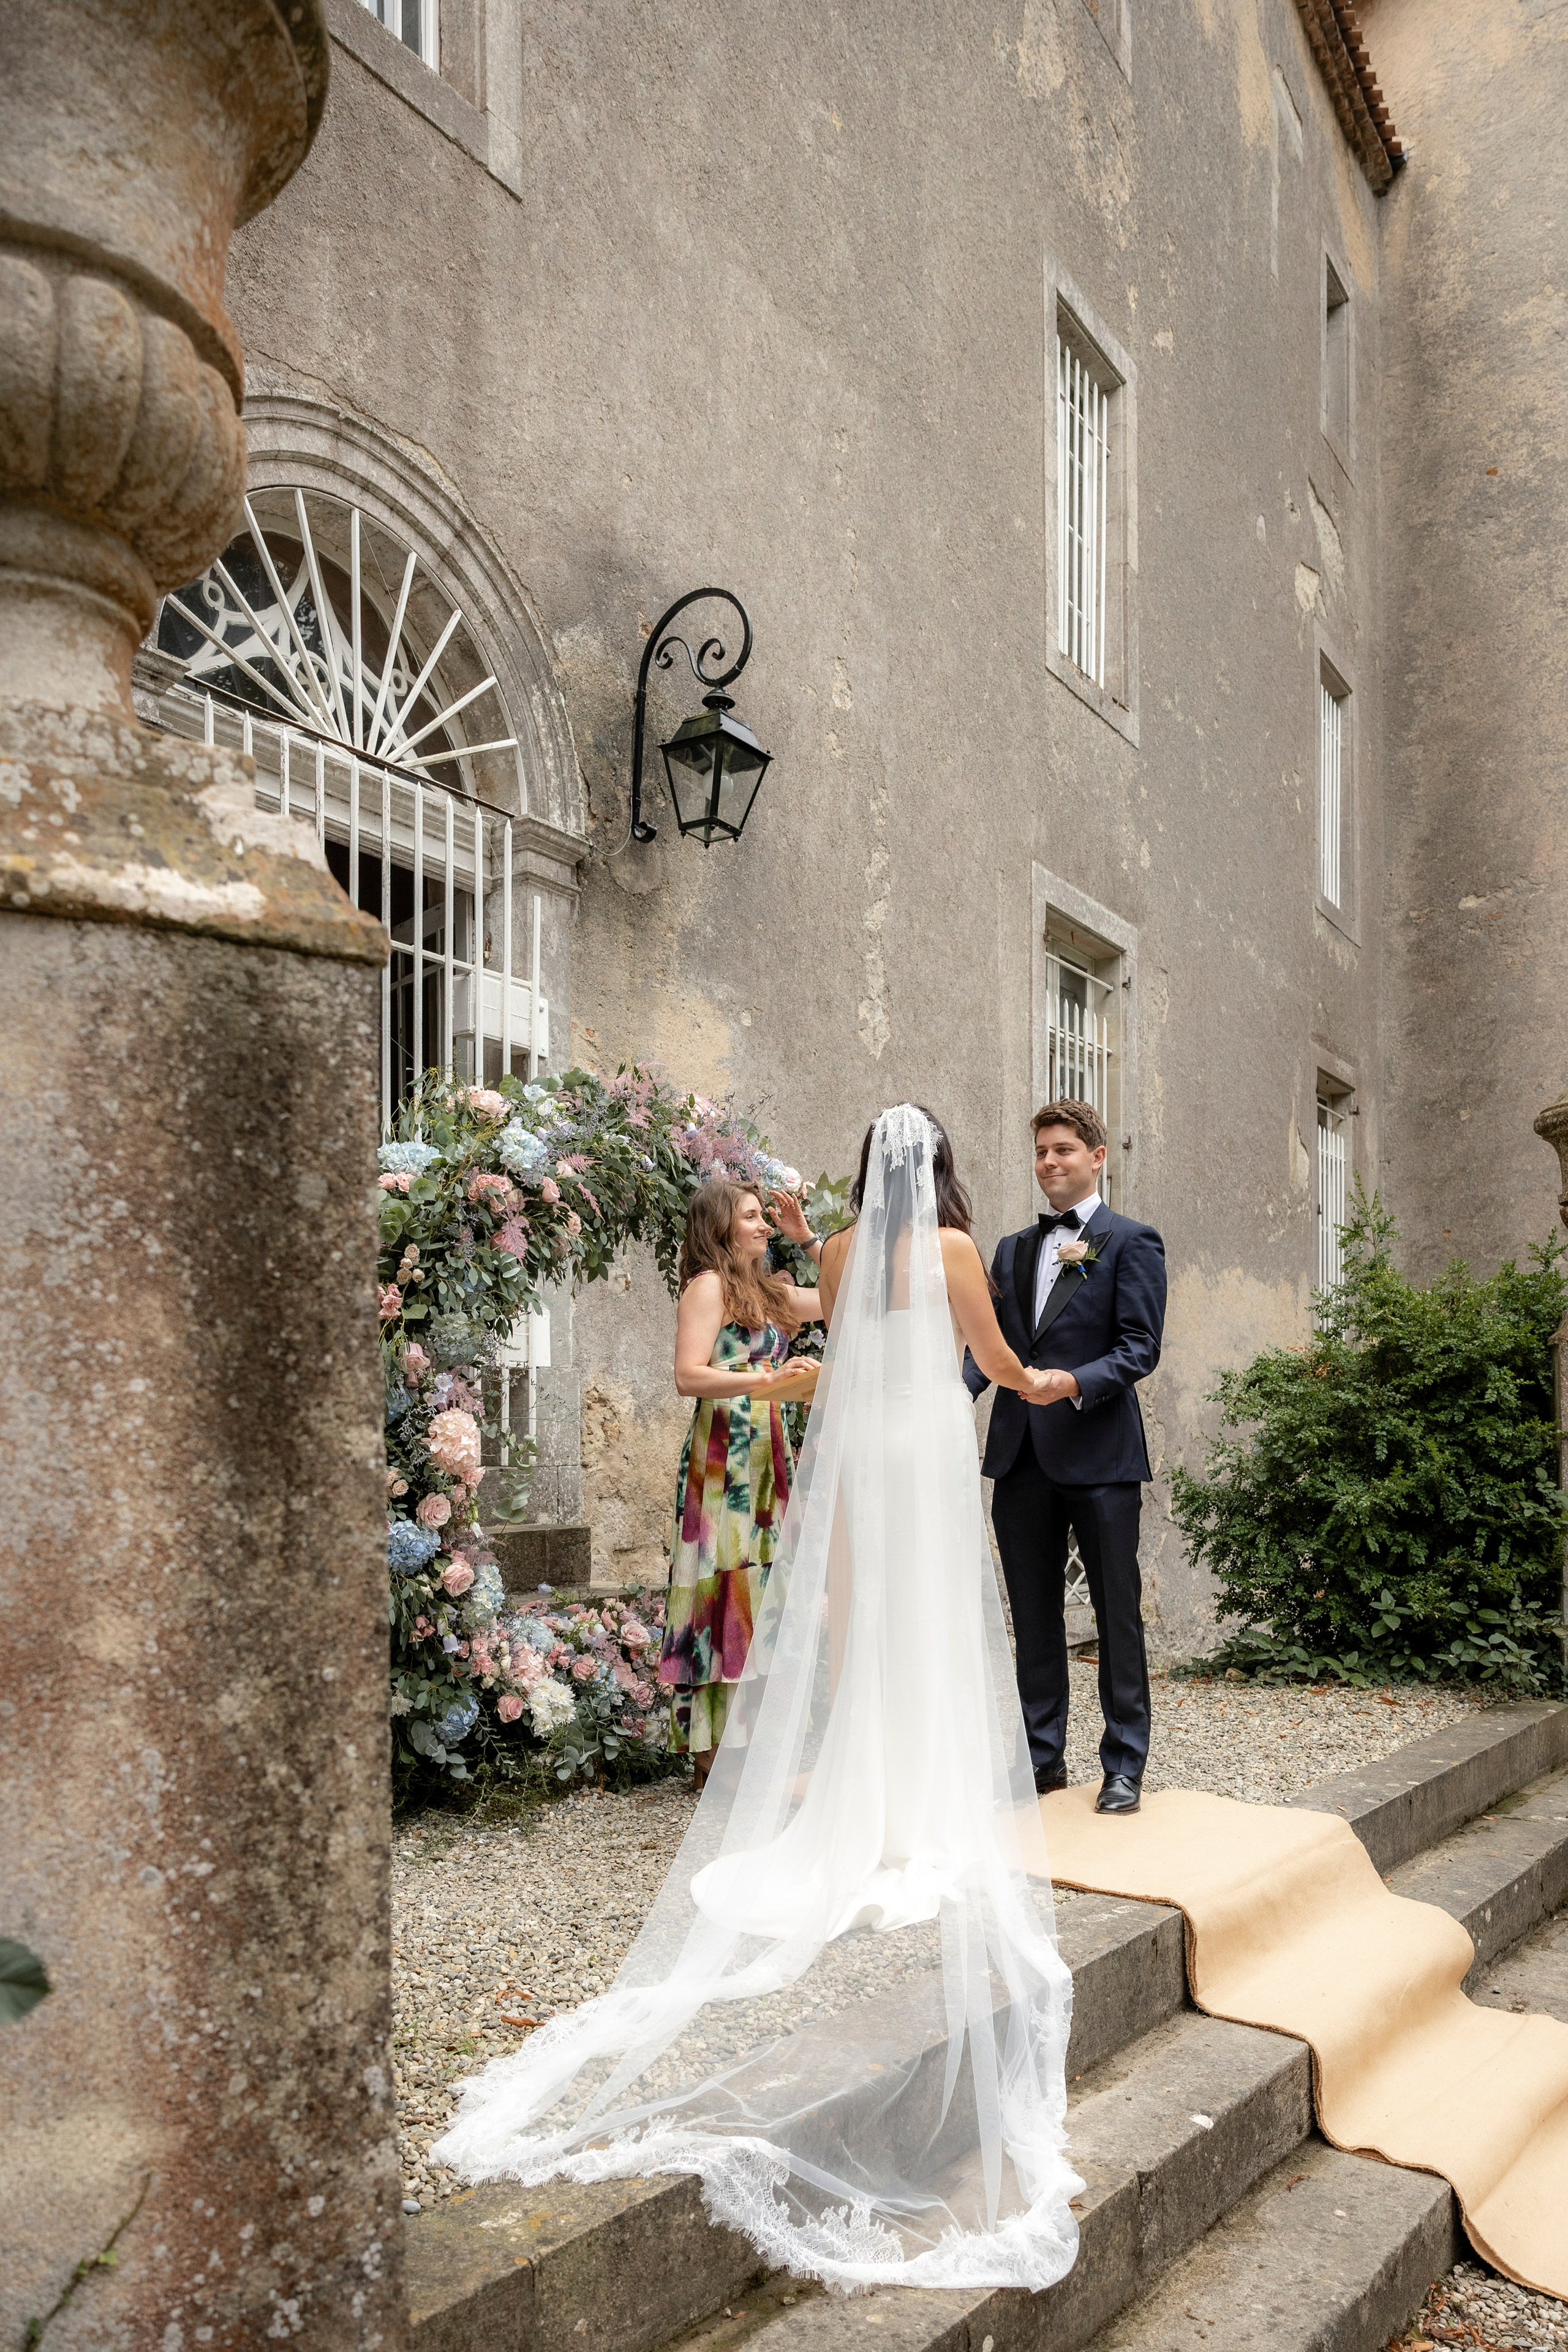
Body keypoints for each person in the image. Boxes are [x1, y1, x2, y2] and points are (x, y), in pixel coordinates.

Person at [435, 1107, 1082, 2294]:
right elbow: (989, 1363)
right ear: (938, 1170)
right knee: (930, 1623)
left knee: (870, 1628)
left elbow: (821, 1345)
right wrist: (1037, 1379)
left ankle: (867, 1806)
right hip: (923, 1446)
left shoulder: (831, 1256)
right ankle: (921, 1815)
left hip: (862, 1449)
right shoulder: (948, 1251)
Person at [963, 1099, 1167, 1815]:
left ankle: (1122, 1763)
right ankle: (1039, 1757)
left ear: (1097, 1158)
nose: (1050, 1162)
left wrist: (1073, 1383)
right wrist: (945, 1398)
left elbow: (1139, 1350)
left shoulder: (1132, 1241)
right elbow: (987, 1352)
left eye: (1063, 1151)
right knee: (1035, 1616)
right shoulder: (1011, 1250)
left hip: (1103, 1458)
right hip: (1019, 1459)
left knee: (1116, 1615)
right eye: (1042, 1152)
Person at [660, 1177, 821, 1787]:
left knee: (763, 1593)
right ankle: (714, 1753)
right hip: (725, 1457)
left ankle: (752, 1746)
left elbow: (841, 1296)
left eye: (763, 1217)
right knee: (722, 1590)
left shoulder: (768, 1290)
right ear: (721, 1226)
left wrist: (806, 1237)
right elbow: (687, 1375)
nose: (763, 1226)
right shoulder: (707, 1287)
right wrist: (763, 1378)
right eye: (751, 1217)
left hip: (769, 1457)